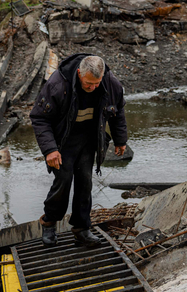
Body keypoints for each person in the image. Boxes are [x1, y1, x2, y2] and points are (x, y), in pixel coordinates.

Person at [30, 54, 128, 247]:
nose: (92, 88)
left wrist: (120, 140)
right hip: (63, 140)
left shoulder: (110, 82)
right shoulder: (57, 85)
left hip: (90, 138)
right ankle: (49, 223)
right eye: (88, 83)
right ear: (79, 73)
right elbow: (39, 118)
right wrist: (50, 150)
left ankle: (81, 229)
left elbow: (118, 110)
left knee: (85, 182)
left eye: (96, 84)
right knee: (63, 181)